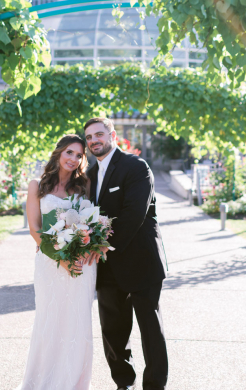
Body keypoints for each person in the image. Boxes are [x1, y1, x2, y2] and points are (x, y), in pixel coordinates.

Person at [83, 118, 168, 390]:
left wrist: (101, 245)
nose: (94, 140)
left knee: (150, 330)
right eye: (89, 137)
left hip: (141, 262)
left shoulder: (136, 167)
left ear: (112, 135)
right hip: (106, 267)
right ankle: (124, 383)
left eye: (99, 134)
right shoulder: (90, 176)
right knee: (113, 332)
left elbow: (134, 214)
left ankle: (154, 385)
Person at [18, 134, 95, 389]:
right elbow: (35, 229)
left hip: (81, 264)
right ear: (59, 152)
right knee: (49, 320)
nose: (73, 159)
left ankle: (73, 382)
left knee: (77, 321)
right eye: (69, 152)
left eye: (79, 155)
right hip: (50, 264)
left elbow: (89, 223)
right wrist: (60, 259)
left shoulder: (83, 186)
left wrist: (86, 245)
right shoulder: (36, 185)